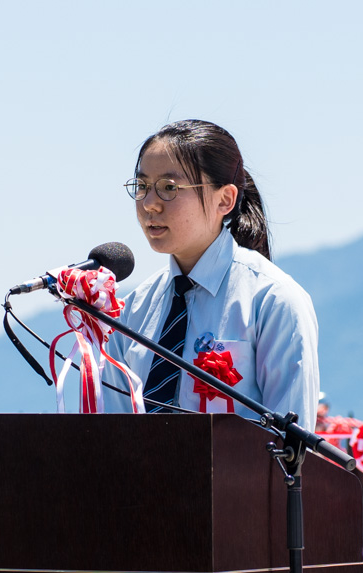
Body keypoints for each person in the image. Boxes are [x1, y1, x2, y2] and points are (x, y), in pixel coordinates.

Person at [106, 119, 320, 427]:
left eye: (169, 188)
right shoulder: (131, 313)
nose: (150, 204)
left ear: (225, 200)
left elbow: (291, 445)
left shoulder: (272, 300)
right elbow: (112, 435)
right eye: (141, 187)